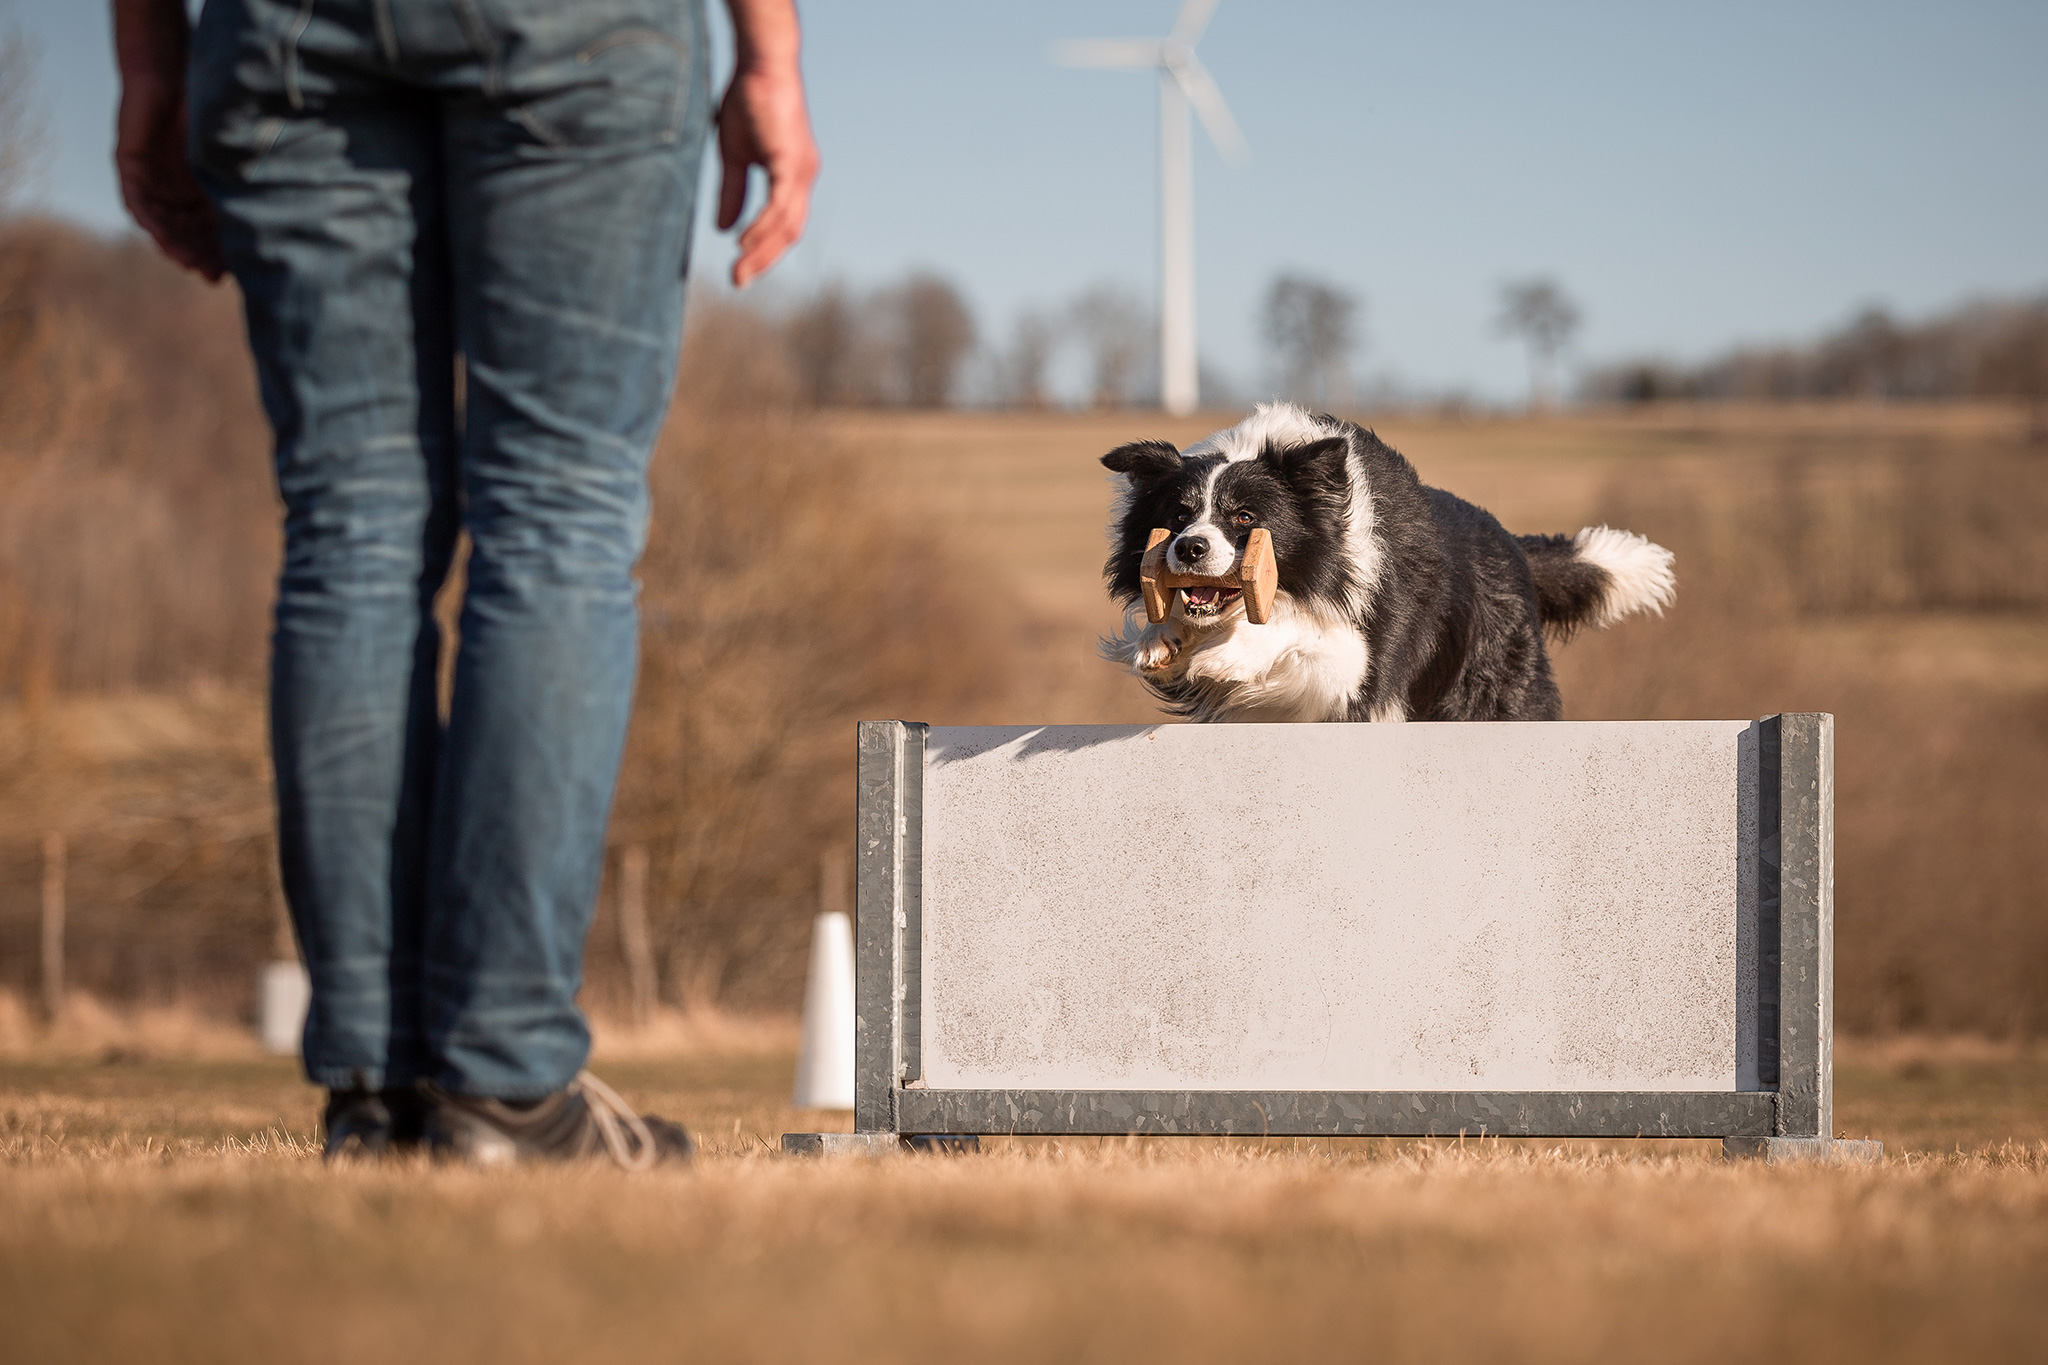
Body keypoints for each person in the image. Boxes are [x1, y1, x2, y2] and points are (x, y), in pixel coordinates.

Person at [111, 0, 818, 1166]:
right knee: (556, 515)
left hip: (288, 35)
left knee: (350, 529)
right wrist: (770, 54)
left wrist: (148, 54)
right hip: (577, 31)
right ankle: (501, 1080)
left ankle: (377, 1089)